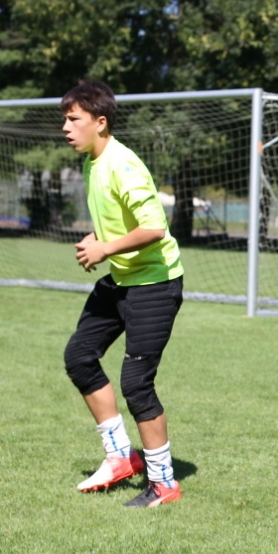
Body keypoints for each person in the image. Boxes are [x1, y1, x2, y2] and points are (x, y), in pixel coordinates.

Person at [61, 80, 184, 508]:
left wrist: (104, 248)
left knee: (136, 384)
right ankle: (119, 457)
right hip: (122, 279)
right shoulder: (92, 162)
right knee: (79, 356)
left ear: (100, 122)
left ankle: (164, 483)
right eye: (65, 119)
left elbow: (154, 227)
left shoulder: (123, 163)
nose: (65, 127)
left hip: (155, 283)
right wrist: (99, 238)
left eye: (73, 119)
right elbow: (121, 219)